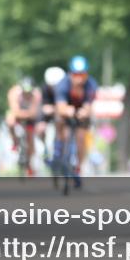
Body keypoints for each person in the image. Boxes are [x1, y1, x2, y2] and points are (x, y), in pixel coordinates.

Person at [55, 55, 98, 188]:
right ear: (70, 74)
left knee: (81, 138)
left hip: (81, 113)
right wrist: (68, 111)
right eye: (75, 74)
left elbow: (88, 107)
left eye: (82, 75)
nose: (78, 78)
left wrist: (84, 112)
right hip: (66, 111)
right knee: (60, 124)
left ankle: (78, 167)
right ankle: (59, 149)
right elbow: (61, 107)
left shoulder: (91, 85)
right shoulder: (62, 84)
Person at [5, 76, 41, 175]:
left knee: (30, 140)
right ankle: (15, 141)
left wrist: (25, 114)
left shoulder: (36, 94)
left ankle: (29, 163)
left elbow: (34, 113)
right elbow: (14, 110)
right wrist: (25, 114)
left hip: (29, 118)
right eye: (25, 92)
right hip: (19, 116)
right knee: (10, 121)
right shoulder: (14, 92)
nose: (27, 95)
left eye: (29, 93)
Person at [41, 66, 65, 173]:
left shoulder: (66, 88)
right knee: (41, 129)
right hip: (48, 117)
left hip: (62, 116)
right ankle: (45, 150)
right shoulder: (44, 89)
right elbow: (43, 107)